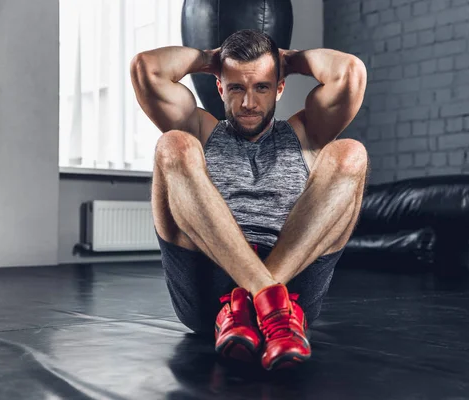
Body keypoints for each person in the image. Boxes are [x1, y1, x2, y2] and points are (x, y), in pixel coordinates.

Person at [130, 29, 368, 371]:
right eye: (237, 87)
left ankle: (252, 297)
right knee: (173, 144)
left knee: (351, 153)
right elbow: (145, 68)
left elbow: (351, 73)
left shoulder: (305, 135)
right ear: (220, 86)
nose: (248, 103)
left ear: (279, 87)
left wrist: (289, 60)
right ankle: (268, 298)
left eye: (262, 87)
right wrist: (210, 58)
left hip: (294, 283)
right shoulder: (202, 129)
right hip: (208, 286)